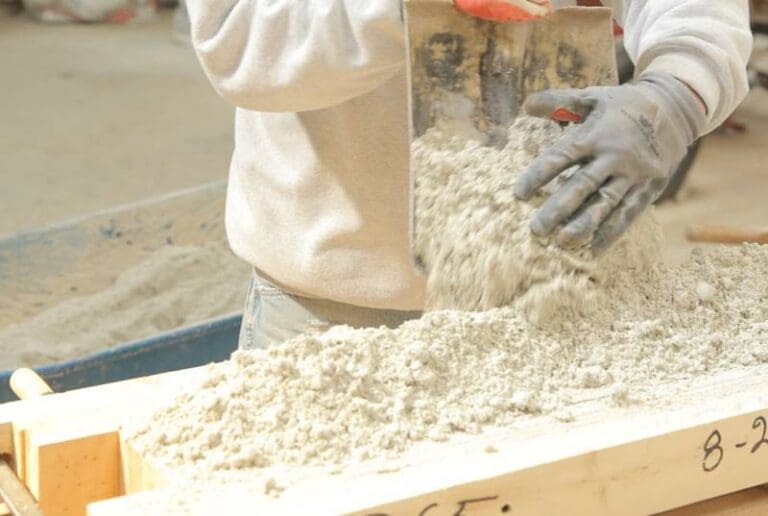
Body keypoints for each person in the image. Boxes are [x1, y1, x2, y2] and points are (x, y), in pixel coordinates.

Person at [184, 0, 751, 349]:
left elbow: (695, 9)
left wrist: (676, 91)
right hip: (335, 307)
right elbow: (237, 40)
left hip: (557, 298)